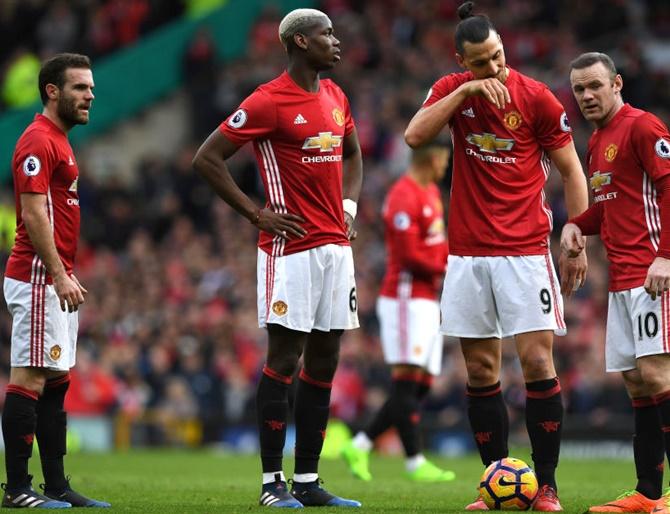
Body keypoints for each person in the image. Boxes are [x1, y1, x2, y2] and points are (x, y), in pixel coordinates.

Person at [404, 2, 589, 511]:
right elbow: (415, 137)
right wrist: (464, 91)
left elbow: (573, 171)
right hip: (467, 255)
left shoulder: (537, 99)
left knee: (535, 361)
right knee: (482, 372)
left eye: (499, 56)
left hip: (526, 252)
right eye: (482, 62)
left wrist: (576, 234)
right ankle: (494, 483)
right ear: (462, 60)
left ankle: (546, 485)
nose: (496, 68)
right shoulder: (452, 92)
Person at [192, 8, 363, 509]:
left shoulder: (335, 97)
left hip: (337, 248)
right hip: (290, 251)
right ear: (298, 42)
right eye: (326, 34)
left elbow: (352, 153)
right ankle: (272, 483)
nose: (336, 41)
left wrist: (350, 205)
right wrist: (255, 214)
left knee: (325, 362)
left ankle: (307, 481)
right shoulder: (267, 101)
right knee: (285, 359)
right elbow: (207, 157)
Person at [562, 52, 670, 514]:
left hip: (653, 274)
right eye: (579, 89)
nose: (586, 95)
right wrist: (574, 225)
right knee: (636, 383)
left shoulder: (644, 127)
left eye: (594, 86)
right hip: (621, 281)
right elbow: (607, 206)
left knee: (658, 375)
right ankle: (647, 494)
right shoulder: (597, 140)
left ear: (617, 83)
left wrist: (666, 256)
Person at [2, 53, 110, 508]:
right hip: (39, 276)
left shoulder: (60, 141)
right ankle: (18, 489)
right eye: (80, 88)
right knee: (28, 378)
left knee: (57, 379)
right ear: (53, 91)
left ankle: (57, 485)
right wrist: (60, 274)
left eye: (90, 88)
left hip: (56, 275)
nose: (90, 95)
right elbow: (32, 213)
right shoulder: (37, 142)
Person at [341, 141, 455, 483]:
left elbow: (435, 242)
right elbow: (408, 257)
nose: (445, 167)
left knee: (420, 384)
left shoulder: (431, 192)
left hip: (426, 297)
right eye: (444, 160)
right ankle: (414, 460)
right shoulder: (403, 197)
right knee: (406, 380)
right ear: (433, 158)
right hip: (405, 297)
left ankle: (360, 443)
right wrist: (448, 265)